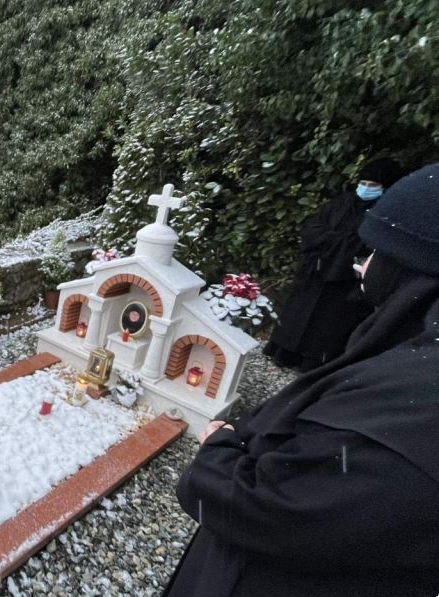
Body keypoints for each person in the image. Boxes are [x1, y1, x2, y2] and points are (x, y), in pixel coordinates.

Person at [164, 163, 439, 596]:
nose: (362, 268)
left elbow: (269, 504)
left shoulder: (408, 408)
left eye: (374, 256)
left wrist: (219, 447)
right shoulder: (406, 365)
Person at [264, 157, 403, 371]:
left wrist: (333, 243)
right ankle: (284, 353)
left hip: (346, 280)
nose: (365, 188)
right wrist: (336, 243)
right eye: (363, 183)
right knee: (298, 315)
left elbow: (366, 244)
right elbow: (314, 227)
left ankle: (313, 364)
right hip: (316, 270)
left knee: (329, 325)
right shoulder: (343, 202)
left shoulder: (385, 214)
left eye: (373, 185)